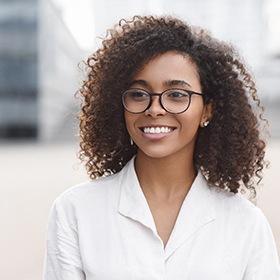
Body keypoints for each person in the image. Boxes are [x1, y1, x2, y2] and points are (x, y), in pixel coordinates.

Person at [44, 15, 280, 279]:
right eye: (138, 94)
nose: (155, 109)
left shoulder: (246, 224)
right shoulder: (75, 211)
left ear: (207, 111)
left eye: (177, 95)